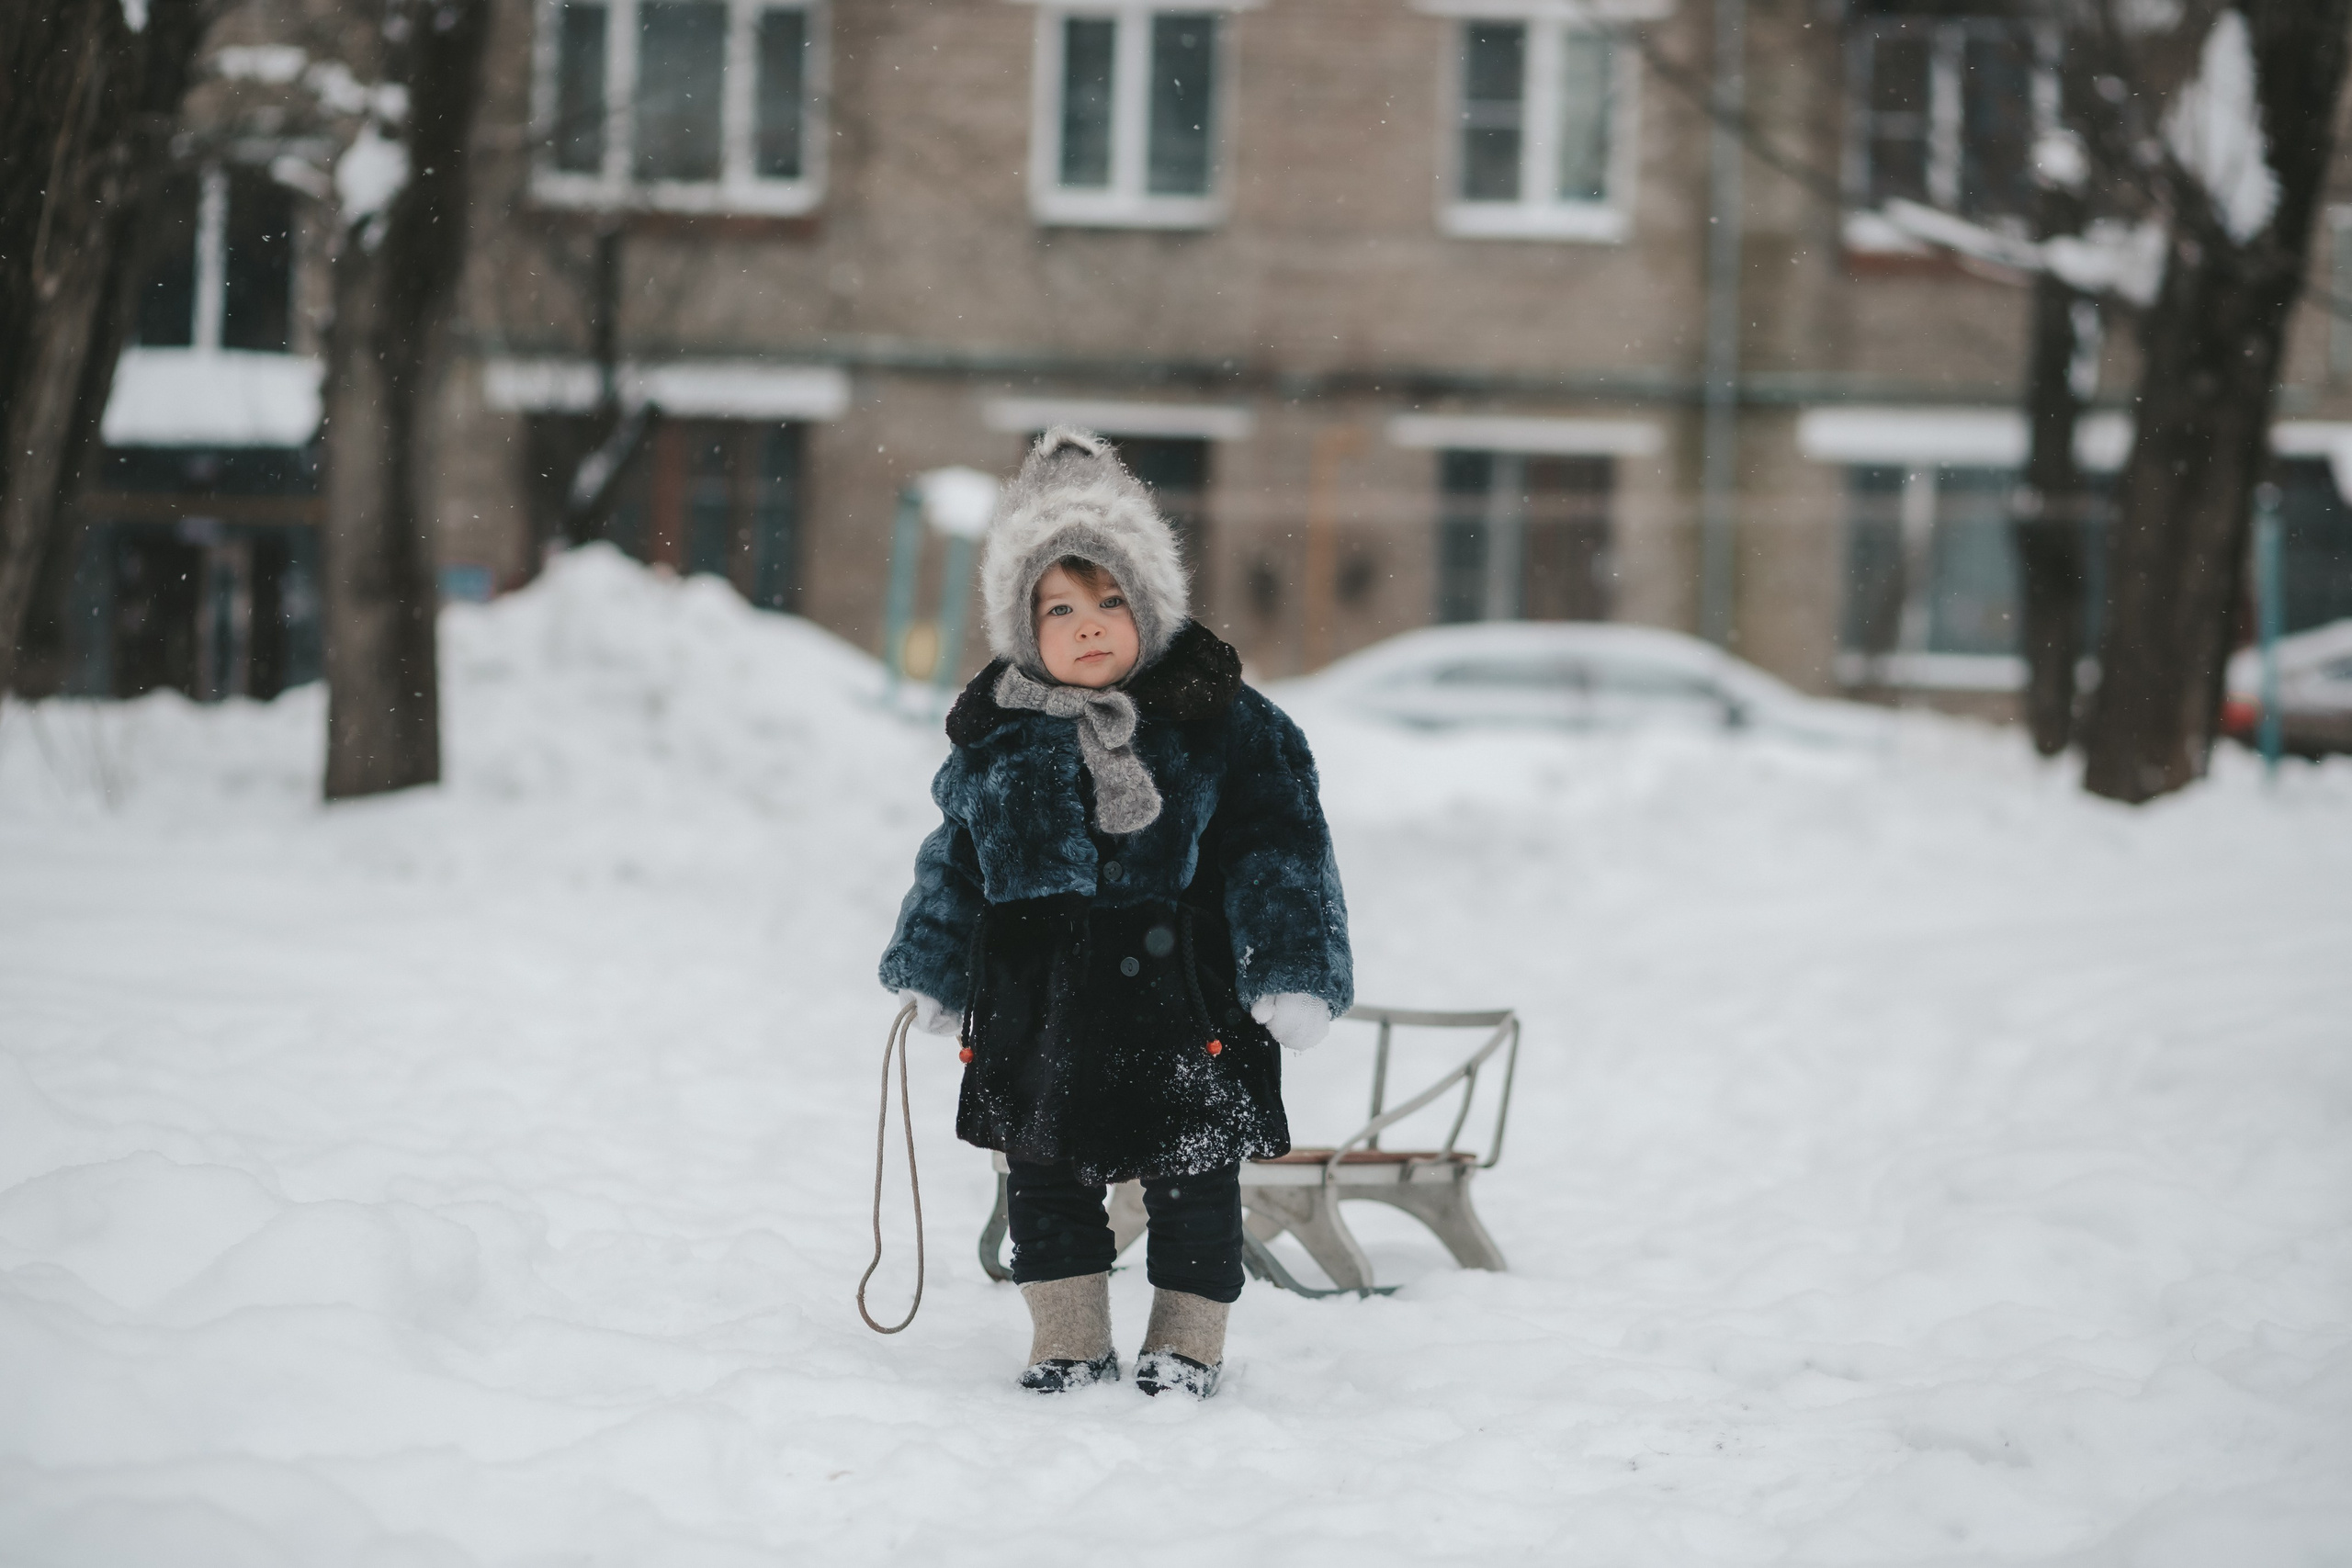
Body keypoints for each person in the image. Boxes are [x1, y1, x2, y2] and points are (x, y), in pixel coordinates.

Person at [878, 426, 1352, 1400]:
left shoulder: (1219, 720)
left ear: (1152, 602)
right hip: (1035, 1001)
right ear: (1021, 623)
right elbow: (955, 861)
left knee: (1191, 1180)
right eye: (1058, 606)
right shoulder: (997, 734)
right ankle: (1067, 1335)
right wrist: (929, 965)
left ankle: (1187, 1340)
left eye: (1109, 599)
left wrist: (1294, 965)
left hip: (1182, 997)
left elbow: (1283, 846)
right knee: (1043, 1181)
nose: (1087, 624)